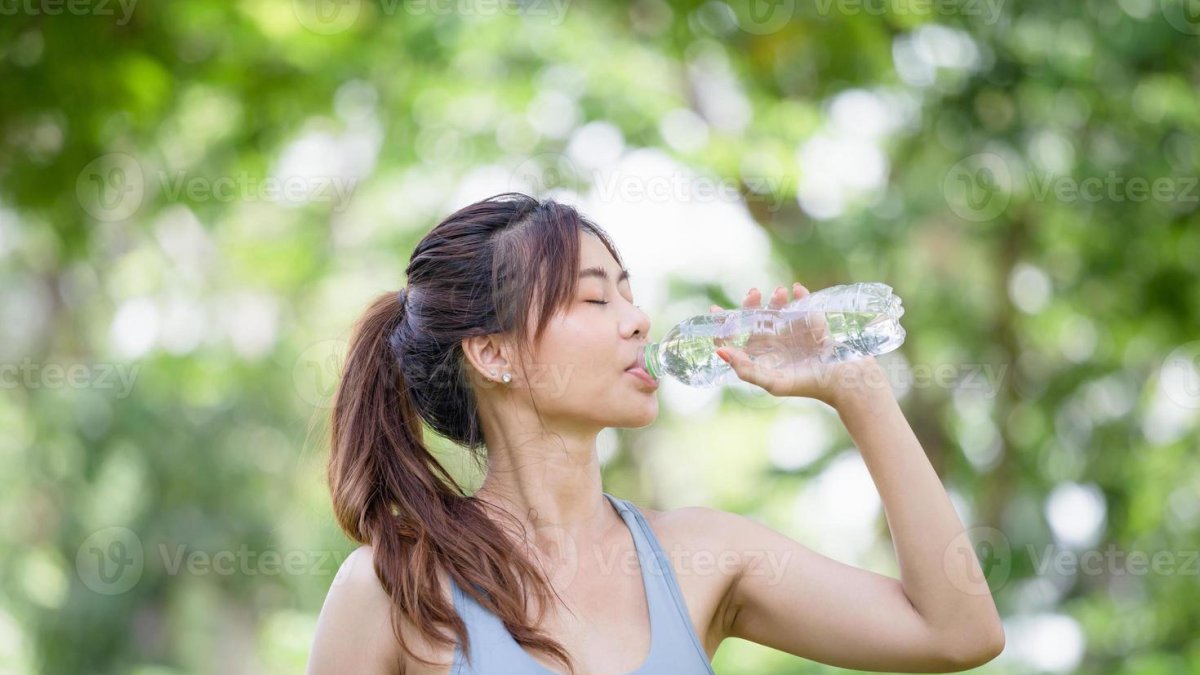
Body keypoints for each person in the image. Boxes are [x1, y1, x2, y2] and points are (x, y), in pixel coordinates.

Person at [305, 193, 1005, 674]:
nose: (638, 319)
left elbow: (957, 632)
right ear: (492, 353)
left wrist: (860, 391)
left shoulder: (701, 555)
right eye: (594, 297)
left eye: (630, 292)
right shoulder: (394, 586)